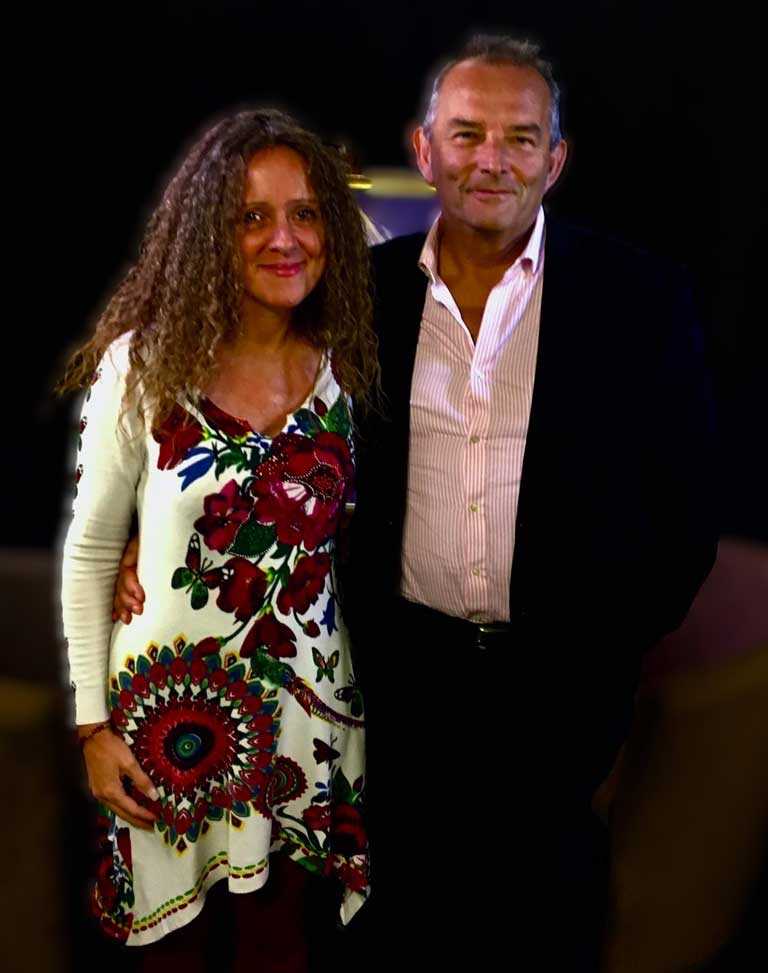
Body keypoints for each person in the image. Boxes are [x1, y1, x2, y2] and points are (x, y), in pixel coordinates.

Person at [114, 36, 718, 969]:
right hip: (395, 683)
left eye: (521, 138)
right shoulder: (358, 296)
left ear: (555, 160)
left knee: (543, 931)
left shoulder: (641, 299)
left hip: (559, 690)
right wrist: (146, 538)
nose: (492, 160)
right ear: (425, 150)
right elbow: (255, 431)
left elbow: (685, 512)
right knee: (385, 935)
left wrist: (601, 648)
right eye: (467, 134)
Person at [59, 108, 376, 971]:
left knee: (284, 950)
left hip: (308, 721)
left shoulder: (346, 368)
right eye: (251, 216)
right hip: (167, 728)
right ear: (208, 232)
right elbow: (91, 550)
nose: (285, 238)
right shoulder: (143, 364)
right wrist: (90, 729)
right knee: (174, 956)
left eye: (305, 213)